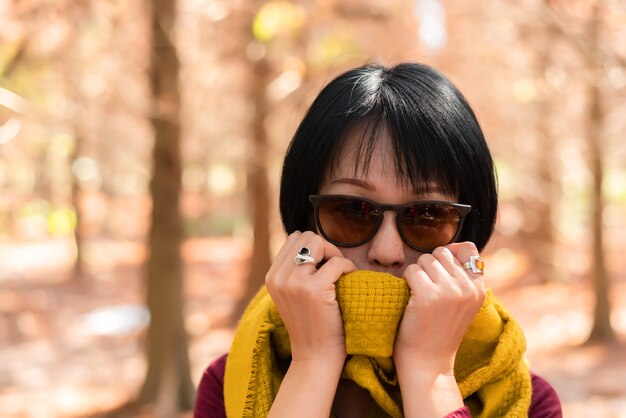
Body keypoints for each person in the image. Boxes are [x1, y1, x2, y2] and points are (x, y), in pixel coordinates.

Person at [194, 62, 562, 417]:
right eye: (353, 211)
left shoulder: (531, 404)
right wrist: (313, 361)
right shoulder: (229, 385)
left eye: (428, 215)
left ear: (465, 234)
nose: (387, 252)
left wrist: (431, 375)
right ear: (304, 222)